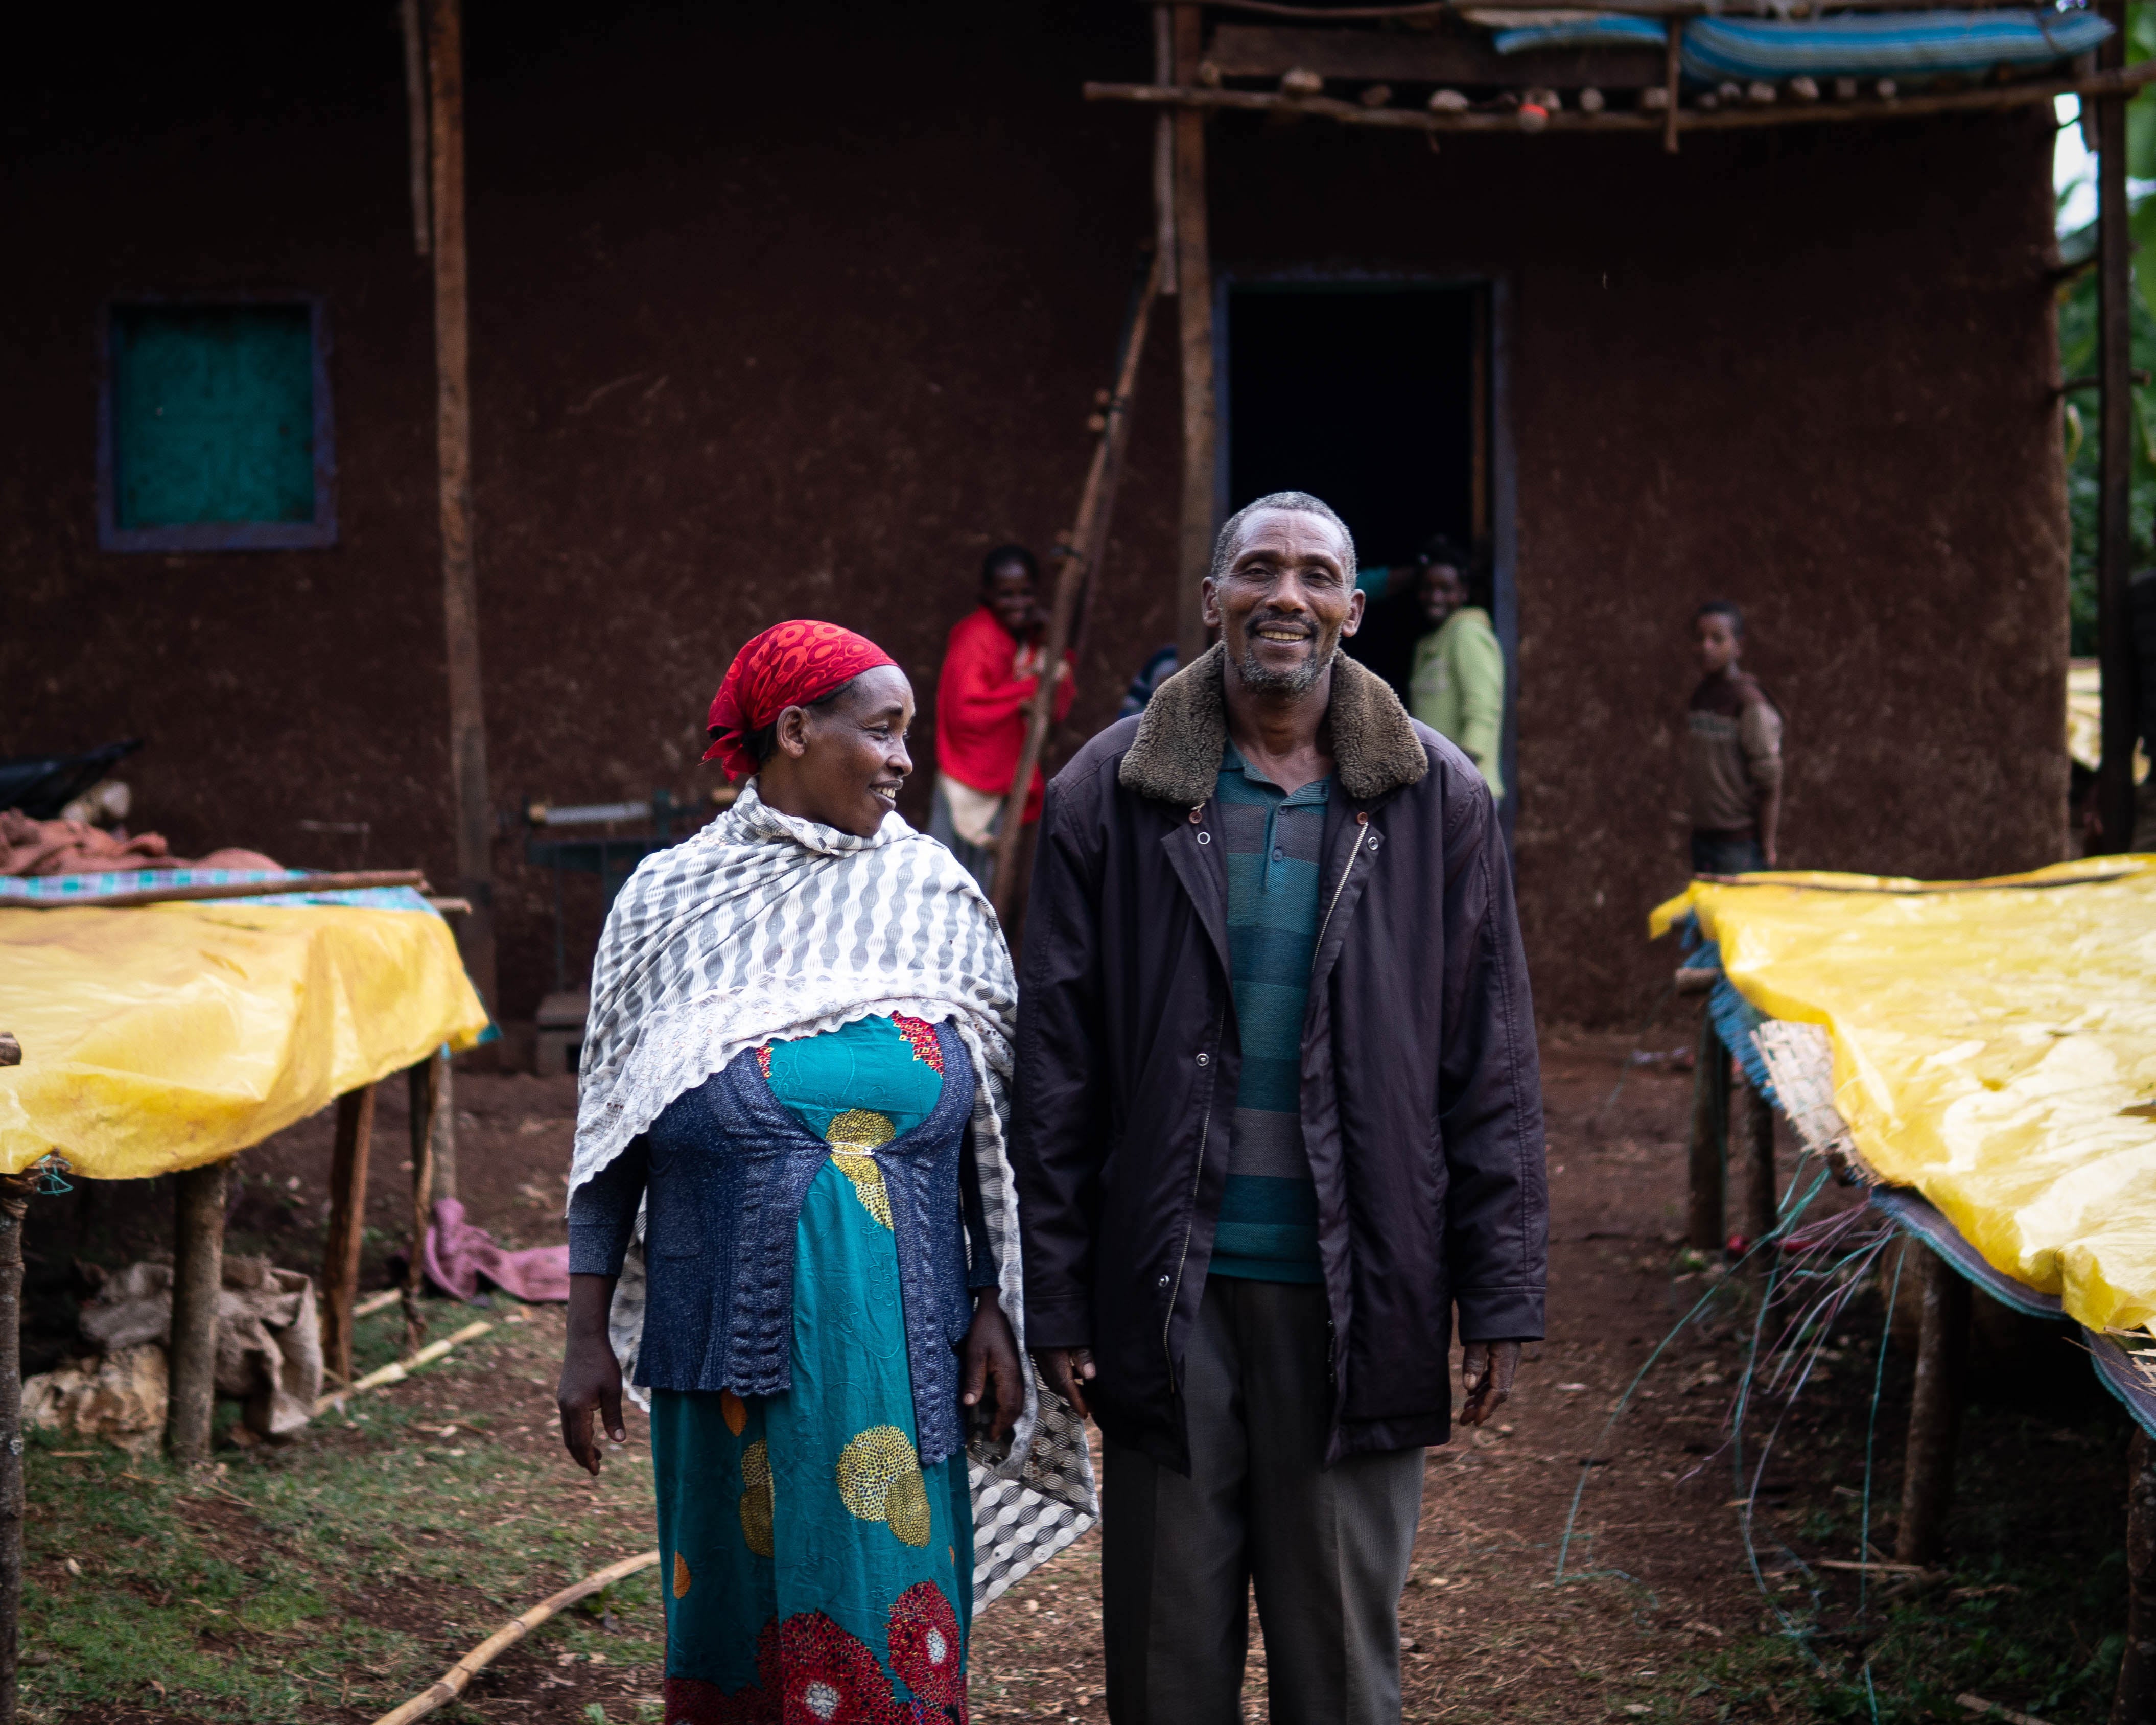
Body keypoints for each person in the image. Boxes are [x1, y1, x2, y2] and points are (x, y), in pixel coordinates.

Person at [1011, 492, 1548, 1725]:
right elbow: (1055, 1063)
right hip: (1164, 1287)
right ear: (1210, 599)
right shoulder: (1112, 788)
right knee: (1166, 1658)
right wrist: (1058, 1286)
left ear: (1354, 611)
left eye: (1316, 575)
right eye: (1257, 569)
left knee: (1340, 1662)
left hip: (1356, 1283)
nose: (1285, 596)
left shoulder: (1434, 798)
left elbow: (1490, 1062)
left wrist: (1501, 1285)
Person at [557, 619, 1093, 1723]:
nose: (906, 756)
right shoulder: (669, 904)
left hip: (900, 1335)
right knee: (741, 1616)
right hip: (721, 1332)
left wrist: (997, 1294)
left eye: (908, 733)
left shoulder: (935, 896)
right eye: (883, 728)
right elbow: (612, 1128)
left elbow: (999, 1119)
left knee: (883, 1600)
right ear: (793, 730)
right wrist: (580, 1332)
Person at [930, 545, 1075, 892]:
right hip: (967, 777)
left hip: (1001, 782)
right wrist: (1027, 690)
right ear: (986, 595)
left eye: (1026, 593)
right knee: (951, 878)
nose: (1018, 603)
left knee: (987, 883)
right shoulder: (976, 638)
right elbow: (966, 712)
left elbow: (1056, 692)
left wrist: (1047, 640)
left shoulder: (1023, 638)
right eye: (1006, 595)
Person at [1687, 600, 1783, 875]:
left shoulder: (1749, 703)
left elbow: (1770, 781)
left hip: (1738, 846)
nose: (1707, 647)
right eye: (1700, 639)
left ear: (1738, 646)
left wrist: (1768, 846)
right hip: (1703, 839)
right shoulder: (1701, 697)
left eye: (1718, 639)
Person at [1406, 536, 1505, 799]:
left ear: (1463, 593)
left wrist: (1459, 779)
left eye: (1446, 588)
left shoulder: (1467, 632)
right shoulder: (1428, 643)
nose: (1435, 597)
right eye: (1428, 587)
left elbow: (1483, 710)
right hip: (1439, 788)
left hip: (1467, 789)